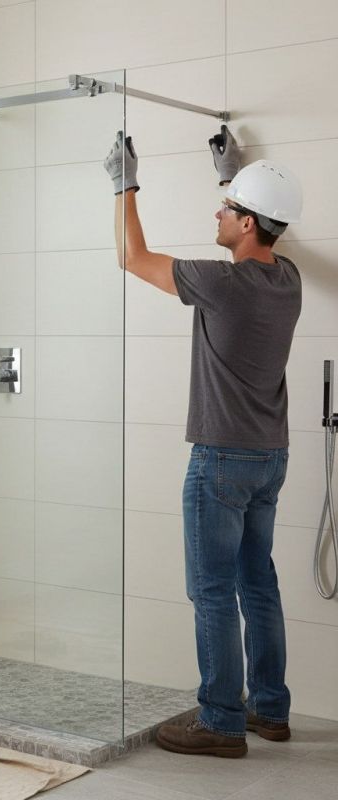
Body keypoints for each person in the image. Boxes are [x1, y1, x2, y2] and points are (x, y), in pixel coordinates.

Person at [103, 126, 303, 758]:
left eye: (226, 208)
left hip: (220, 460)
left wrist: (123, 183)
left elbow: (132, 258)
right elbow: (256, 234)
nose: (215, 212)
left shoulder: (222, 283)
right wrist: (233, 176)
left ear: (247, 223)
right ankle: (269, 709)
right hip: (269, 457)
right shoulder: (287, 279)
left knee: (212, 590)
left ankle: (220, 719)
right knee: (258, 583)